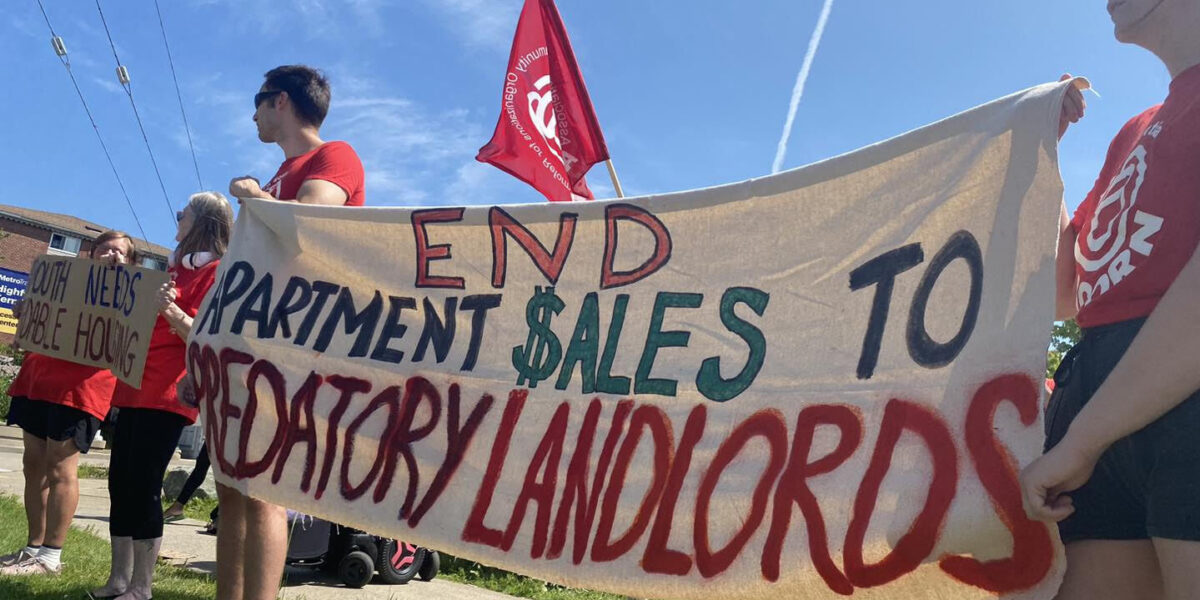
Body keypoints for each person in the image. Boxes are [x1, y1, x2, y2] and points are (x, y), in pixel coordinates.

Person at [1020, 1, 1200, 599]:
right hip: (1095, 402)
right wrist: (1040, 158)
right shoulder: (1135, 129)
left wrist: (1080, 443)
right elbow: (1066, 296)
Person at [220, 64, 365, 600]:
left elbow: (308, 224)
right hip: (250, 346)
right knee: (232, 486)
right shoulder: (279, 176)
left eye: (258, 101)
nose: (252, 113)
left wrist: (253, 197)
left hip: (293, 347)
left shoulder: (336, 157)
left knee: (262, 488)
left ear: (280, 101)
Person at [90, 192, 233, 600]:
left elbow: (207, 336)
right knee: (121, 483)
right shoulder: (172, 270)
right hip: (133, 388)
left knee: (145, 484)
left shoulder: (217, 273)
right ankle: (118, 579)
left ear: (202, 222)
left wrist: (173, 313)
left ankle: (142, 586)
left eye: (182, 214)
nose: (177, 218)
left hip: (168, 395)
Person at [0, 231, 139, 576]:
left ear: (131, 261)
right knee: (33, 465)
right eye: (104, 248)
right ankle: (33, 547)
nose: (110, 254)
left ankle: (51, 555)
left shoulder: (132, 295)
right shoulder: (65, 285)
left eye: (119, 252)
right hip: (38, 379)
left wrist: (121, 276)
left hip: (81, 389)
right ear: (91, 253)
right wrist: (25, 313)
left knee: (60, 469)